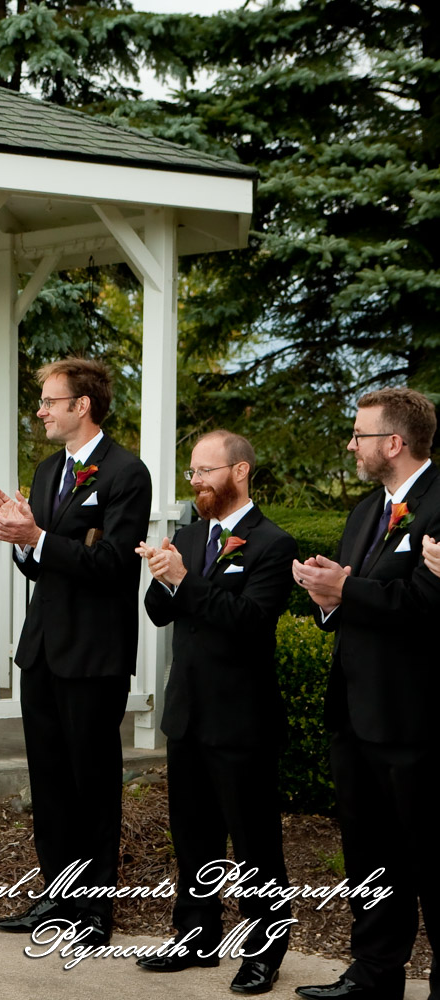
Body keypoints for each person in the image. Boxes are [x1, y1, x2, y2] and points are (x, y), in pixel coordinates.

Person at [0, 357, 151, 946]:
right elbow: (46, 564)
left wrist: (40, 538)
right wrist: (20, 538)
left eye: (50, 401)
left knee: (94, 783)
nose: (42, 411)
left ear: (82, 405)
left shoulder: (127, 473)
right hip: (43, 648)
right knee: (49, 781)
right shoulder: (48, 468)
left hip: (94, 653)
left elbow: (110, 566)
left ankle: (96, 912)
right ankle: (56, 901)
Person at [291, 387, 440, 1000]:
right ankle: (375, 973)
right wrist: (328, 595)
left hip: (415, 716)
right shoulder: (364, 512)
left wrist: (348, 591)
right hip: (354, 711)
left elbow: (430, 604)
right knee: (369, 855)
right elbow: (353, 604)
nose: (351, 445)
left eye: (360, 435)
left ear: (394, 444)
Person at [134, 431, 296, 995]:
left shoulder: (273, 543)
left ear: (240, 472)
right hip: (189, 714)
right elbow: (159, 612)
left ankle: (264, 949)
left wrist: (184, 579)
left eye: (206, 471)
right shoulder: (190, 534)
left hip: (241, 721)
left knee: (254, 844)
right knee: (194, 835)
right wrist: (161, 572)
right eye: (193, 472)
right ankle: (197, 936)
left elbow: (250, 622)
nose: (196, 481)